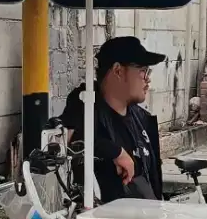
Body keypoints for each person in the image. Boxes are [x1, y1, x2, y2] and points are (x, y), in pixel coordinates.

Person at [60, 36, 165, 203]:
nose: (147, 78)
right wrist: (115, 151)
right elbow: (68, 142)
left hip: (146, 217)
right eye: (143, 70)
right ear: (118, 71)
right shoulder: (84, 107)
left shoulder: (141, 118)